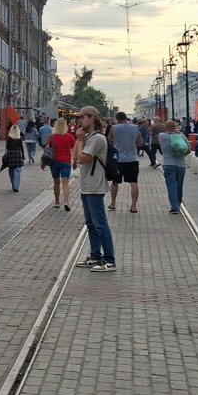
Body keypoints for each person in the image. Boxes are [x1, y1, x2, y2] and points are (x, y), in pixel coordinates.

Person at [73, 106, 116, 272]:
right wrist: (79, 138)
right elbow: (75, 158)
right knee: (91, 224)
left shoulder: (97, 139)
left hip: (95, 186)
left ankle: (109, 260)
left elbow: (83, 159)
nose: (79, 120)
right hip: (86, 185)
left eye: (82, 117)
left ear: (91, 118)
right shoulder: (87, 136)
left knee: (100, 224)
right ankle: (95, 256)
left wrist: (81, 140)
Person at [107, 112, 143, 213]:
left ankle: (113, 203)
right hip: (132, 159)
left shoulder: (114, 128)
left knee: (115, 182)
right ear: (126, 118)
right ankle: (134, 206)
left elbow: (108, 140)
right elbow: (140, 143)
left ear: (117, 119)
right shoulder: (135, 128)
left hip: (118, 159)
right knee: (134, 182)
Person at [158, 119, 188, 213]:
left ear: (165, 127)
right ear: (175, 127)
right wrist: (182, 156)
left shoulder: (162, 136)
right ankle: (178, 203)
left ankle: (175, 207)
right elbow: (189, 149)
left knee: (172, 186)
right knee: (179, 186)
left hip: (168, 164)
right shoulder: (182, 136)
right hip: (181, 165)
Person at [45, 117, 75, 211]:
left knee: (56, 182)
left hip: (54, 162)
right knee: (65, 183)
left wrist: (43, 162)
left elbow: (46, 150)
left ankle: (57, 202)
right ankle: (66, 201)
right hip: (66, 161)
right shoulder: (70, 136)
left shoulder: (52, 137)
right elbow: (74, 149)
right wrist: (75, 161)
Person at [1, 123, 25, 191]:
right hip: (17, 153)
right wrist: (23, 156)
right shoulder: (19, 139)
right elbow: (21, 147)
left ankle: (13, 183)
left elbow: (7, 147)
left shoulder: (9, 138)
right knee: (17, 170)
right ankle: (16, 186)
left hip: (10, 154)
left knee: (11, 170)